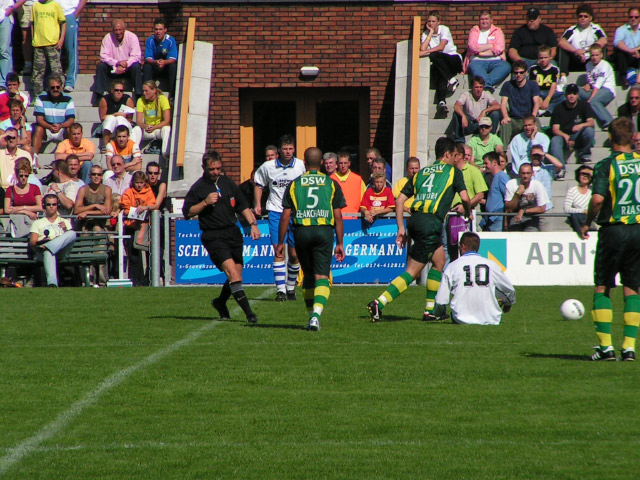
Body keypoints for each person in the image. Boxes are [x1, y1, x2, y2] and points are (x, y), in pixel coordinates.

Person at [367, 137, 470, 323]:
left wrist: (400, 227)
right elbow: (465, 198)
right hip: (430, 222)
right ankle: (379, 302)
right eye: (454, 155)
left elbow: (399, 200)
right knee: (412, 272)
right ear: (447, 154)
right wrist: (468, 212)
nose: (456, 159)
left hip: (416, 220)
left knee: (439, 260)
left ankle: (430, 310)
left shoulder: (421, 173)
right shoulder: (453, 172)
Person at [580, 117, 640, 361]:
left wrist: (587, 222)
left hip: (614, 230)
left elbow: (596, 200)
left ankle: (605, 348)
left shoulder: (606, 165)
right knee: (633, 288)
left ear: (611, 138)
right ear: (632, 136)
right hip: (638, 229)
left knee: (603, 285)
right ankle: (629, 348)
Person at [183, 150, 260, 323]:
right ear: (204, 168)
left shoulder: (227, 183)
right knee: (232, 273)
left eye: (218, 168)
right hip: (213, 235)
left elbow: (242, 205)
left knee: (237, 276)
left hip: (232, 233)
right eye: (212, 169)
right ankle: (250, 315)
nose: (216, 172)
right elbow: (187, 212)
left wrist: (253, 225)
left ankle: (220, 302)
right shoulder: (198, 188)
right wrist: (204, 202)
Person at [277, 147, 346, 330]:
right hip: (323, 231)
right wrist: (340, 243)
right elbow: (338, 216)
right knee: (322, 275)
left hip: (302, 232)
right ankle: (316, 315)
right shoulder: (331, 183)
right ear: (322, 163)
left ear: (304, 163)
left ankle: (311, 317)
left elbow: (285, 216)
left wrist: (280, 242)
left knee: (307, 275)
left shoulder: (295, 184)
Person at [253, 134, 305, 301]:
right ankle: (281, 291)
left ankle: (290, 288)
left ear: (294, 149)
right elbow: (258, 184)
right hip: (276, 212)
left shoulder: (300, 165)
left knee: (295, 254)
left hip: (296, 213)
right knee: (279, 250)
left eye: (290, 149)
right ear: (279, 150)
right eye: (285, 149)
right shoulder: (268, 166)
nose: (288, 152)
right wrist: (258, 204)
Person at [435, 232, 515, 325]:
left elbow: (441, 300)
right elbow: (509, 290)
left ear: (463, 246)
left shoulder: (453, 266)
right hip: (491, 318)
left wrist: (439, 314)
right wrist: (508, 303)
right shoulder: (492, 265)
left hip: (461, 318)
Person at [446, 143, 487, 261]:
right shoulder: (449, 171)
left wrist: (466, 207)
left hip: (467, 217)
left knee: (466, 249)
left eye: (454, 154)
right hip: (450, 214)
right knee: (449, 249)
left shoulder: (474, 171)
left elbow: (480, 194)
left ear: (459, 156)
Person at [419, 10, 462, 117]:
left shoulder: (444, 29)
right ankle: (442, 102)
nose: (430, 23)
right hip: (442, 65)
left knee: (434, 55)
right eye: (429, 21)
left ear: (439, 21)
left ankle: (451, 79)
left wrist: (427, 51)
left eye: (433, 21)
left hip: (453, 59)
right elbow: (422, 48)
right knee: (439, 73)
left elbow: (441, 47)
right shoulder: (425, 34)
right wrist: (430, 33)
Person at [74, 164, 111, 285]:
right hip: (86, 227)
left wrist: (87, 211)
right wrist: (94, 206)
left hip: (100, 226)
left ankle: (101, 282)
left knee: (100, 254)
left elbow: (107, 211)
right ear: (89, 176)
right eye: (94, 174)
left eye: (99, 174)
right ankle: (88, 281)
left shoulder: (106, 189)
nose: (96, 177)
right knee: (87, 255)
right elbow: (77, 210)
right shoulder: (83, 189)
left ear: (102, 176)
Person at [549, 83, 596, 177]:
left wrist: (581, 125)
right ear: (566, 95)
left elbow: (591, 122)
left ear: (578, 95)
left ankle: (584, 156)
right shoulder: (558, 108)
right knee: (555, 140)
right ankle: (560, 169)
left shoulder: (584, 105)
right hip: (563, 137)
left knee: (589, 130)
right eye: (569, 93)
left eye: (574, 93)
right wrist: (565, 136)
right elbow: (555, 129)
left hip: (578, 135)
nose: (571, 96)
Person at [29, 193, 76, 287]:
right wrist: (44, 241)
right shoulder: (38, 223)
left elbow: (70, 239)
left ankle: (49, 247)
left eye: (54, 204)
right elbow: (33, 242)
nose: (51, 207)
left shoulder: (65, 221)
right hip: (43, 252)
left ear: (57, 206)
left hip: (62, 252)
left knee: (72, 233)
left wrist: (65, 230)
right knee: (48, 252)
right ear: (44, 206)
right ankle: (52, 283)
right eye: (48, 204)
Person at [557, 4, 607, 90]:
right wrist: (576, 51)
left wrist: (586, 51)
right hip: (576, 59)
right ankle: (563, 77)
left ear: (590, 18)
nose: (582, 18)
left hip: (590, 59)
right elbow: (561, 42)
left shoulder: (595, 28)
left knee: (603, 49)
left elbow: (604, 40)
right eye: (580, 16)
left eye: (585, 16)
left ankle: (602, 74)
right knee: (562, 49)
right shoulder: (572, 29)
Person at [119, 171, 155, 286]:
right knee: (133, 256)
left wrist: (144, 208)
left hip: (144, 227)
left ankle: (146, 280)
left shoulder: (149, 192)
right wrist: (136, 211)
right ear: (133, 183)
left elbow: (151, 205)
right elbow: (125, 208)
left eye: (141, 183)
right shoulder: (128, 192)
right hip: (131, 227)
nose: (139, 185)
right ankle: (135, 280)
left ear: (145, 183)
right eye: (137, 183)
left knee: (147, 255)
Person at [92, 19, 142, 99]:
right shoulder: (107, 38)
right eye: (116, 30)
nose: (118, 32)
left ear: (124, 29)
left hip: (128, 69)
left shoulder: (132, 37)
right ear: (112, 30)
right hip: (113, 68)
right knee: (101, 66)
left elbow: (136, 56)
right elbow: (103, 56)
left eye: (120, 30)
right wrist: (117, 63)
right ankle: (98, 96)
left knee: (136, 66)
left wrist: (125, 64)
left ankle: (139, 96)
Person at [463, 10, 510, 93]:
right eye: (482, 19)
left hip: (496, 61)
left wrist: (481, 52)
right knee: (474, 67)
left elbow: (500, 48)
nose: (484, 21)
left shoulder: (497, 31)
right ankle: (487, 87)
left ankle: (486, 84)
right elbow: (472, 47)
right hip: (477, 61)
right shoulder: (474, 30)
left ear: (491, 20)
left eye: (486, 19)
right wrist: (491, 45)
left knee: (506, 67)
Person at [499, 60, 541, 146]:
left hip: (528, 118)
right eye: (516, 72)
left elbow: (537, 102)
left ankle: (538, 150)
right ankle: (502, 154)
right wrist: (506, 117)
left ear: (526, 72)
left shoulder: (532, 85)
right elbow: (503, 104)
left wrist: (533, 116)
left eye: (521, 72)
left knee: (537, 124)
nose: (518, 75)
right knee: (505, 124)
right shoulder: (508, 85)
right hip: (514, 119)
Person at [32, 75, 75, 156]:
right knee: (38, 129)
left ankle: (70, 157)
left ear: (61, 87)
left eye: (57, 87)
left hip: (62, 128)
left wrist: (60, 125)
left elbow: (71, 120)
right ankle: (34, 159)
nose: (55, 89)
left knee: (71, 129)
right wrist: (49, 127)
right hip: (46, 128)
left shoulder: (68, 99)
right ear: (48, 87)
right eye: (52, 87)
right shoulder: (40, 98)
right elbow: (39, 119)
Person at [31, 0, 66, 98]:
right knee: (38, 72)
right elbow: (33, 24)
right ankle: (37, 95)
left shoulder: (56, 5)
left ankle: (59, 93)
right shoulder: (35, 5)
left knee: (56, 70)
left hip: (53, 43)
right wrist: (33, 39)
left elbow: (63, 23)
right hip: (38, 44)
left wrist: (61, 39)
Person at [451, 75, 501, 142]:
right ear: (472, 87)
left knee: (495, 113)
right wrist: (463, 116)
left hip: (482, 125)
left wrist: (484, 111)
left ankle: (490, 138)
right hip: (469, 124)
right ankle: (459, 140)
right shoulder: (466, 94)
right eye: (476, 87)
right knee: (456, 113)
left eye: (481, 87)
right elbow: (456, 106)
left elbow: (497, 105)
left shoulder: (486, 94)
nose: (479, 89)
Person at [504, 163, 549, 231]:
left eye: (528, 173)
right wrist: (517, 194)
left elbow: (542, 208)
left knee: (531, 234)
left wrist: (523, 211)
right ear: (519, 174)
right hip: (514, 217)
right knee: (514, 236)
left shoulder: (537, 185)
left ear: (532, 173)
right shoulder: (511, 184)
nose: (525, 176)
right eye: (523, 173)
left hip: (532, 217)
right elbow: (509, 209)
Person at [579, 44, 616, 129]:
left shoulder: (605, 66)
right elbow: (591, 80)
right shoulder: (588, 65)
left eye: (597, 55)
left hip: (607, 90)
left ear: (601, 55)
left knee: (593, 101)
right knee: (574, 90)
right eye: (592, 55)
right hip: (594, 90)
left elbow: (598, 85)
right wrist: (588, 84)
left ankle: (609, 122)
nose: (594, 57)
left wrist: (589, 100)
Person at [4, 157, 43, 237]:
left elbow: (40, 207)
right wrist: (25, 211)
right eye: (21, 175)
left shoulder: (35, 188)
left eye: (26, 176)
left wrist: (21, 207)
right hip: (17, 221)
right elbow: (7, 209)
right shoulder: (10, 189)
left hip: (32, 221)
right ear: (17, 175)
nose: (23, 178)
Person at [98, 79, 140, 149]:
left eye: (121, 90)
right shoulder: (104, 99)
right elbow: (102, 117)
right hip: (109, 126)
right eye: (116, 90)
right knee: (111, 118)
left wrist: (119, 117)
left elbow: (129, 119)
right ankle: (105, 146)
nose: (119, 92)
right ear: (112, 90)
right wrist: (115, 114)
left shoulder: (128, 99)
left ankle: (123, 146)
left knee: (120, 118)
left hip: (123, 126)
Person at [57, 0, 88, 92]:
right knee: (54, 50)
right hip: (54, 14)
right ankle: (55, 80)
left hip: (70, 14)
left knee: (71, 49)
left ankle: (70, 81)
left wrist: (75, 13)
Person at [143, 18, 178, 99]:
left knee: (173, 66)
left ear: (165, 30)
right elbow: (148, 58)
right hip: (155, 66)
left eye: (160, 29)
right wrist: (157, 62)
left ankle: (172, 96)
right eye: (156, 29)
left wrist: (164, 62)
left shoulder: (170, 40)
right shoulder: (150, 40)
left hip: (166, 67)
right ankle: (146, 93)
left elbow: (173, 58)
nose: (158, 32)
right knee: (147, 66)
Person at [136, 80, 171, 158]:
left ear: (154, 90)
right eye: (143, 91)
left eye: (146, 91)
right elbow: (138, 121)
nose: (144, 93)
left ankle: (165, 154)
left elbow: (167, 120)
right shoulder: (141, 100)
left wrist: (155, 127)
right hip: (148, 129)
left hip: (159, 129)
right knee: (136, 129)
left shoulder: (162, 99)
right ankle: (134, 154)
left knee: (167, 128)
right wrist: (145, 126)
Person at [529, 45, 564, 116]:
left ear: (550, 57)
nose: (543, 60)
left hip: (550, 92)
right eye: (541, 58)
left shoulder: (555, 69)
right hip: (538, 92)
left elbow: (554, 86)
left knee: (563, 97)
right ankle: (537, 109)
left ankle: (548, 110)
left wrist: (548, 99)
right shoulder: (533, 69)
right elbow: (533, 85)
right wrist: (538, 97)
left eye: (545, 57)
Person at [480, 151, 510, 232]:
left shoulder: (502, 177)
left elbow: (508, 199)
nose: (484, 166)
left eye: (486, 163)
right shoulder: (495, 177)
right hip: (492, 219)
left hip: (498, 219)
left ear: (494, 163)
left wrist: (506, 220)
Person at [330, 150, 365, 215]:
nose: (343, 166)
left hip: (354, 218)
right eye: (341, 163)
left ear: (349, 163)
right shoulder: (331, 179)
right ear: (337, 164)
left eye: (345, 163)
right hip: (336, 219)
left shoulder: (358, 179)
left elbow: (364, 200)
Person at [613, 8, 640, 88]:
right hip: (627, 56)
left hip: (638, 54)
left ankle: (638, 80)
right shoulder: (622, 29)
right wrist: (630, 51)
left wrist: (636, 50)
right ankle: (623, 78)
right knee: (619, 51)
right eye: (631, 17)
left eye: (636, 17)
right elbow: (617, 42)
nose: (633, 19)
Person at [564, 164, 593, 234]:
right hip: (578, 220)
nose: (585, 176)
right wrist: (583, 211)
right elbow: (566, 209)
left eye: (588, 174)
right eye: (583, 174)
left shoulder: (594, 191)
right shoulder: (572, 190)